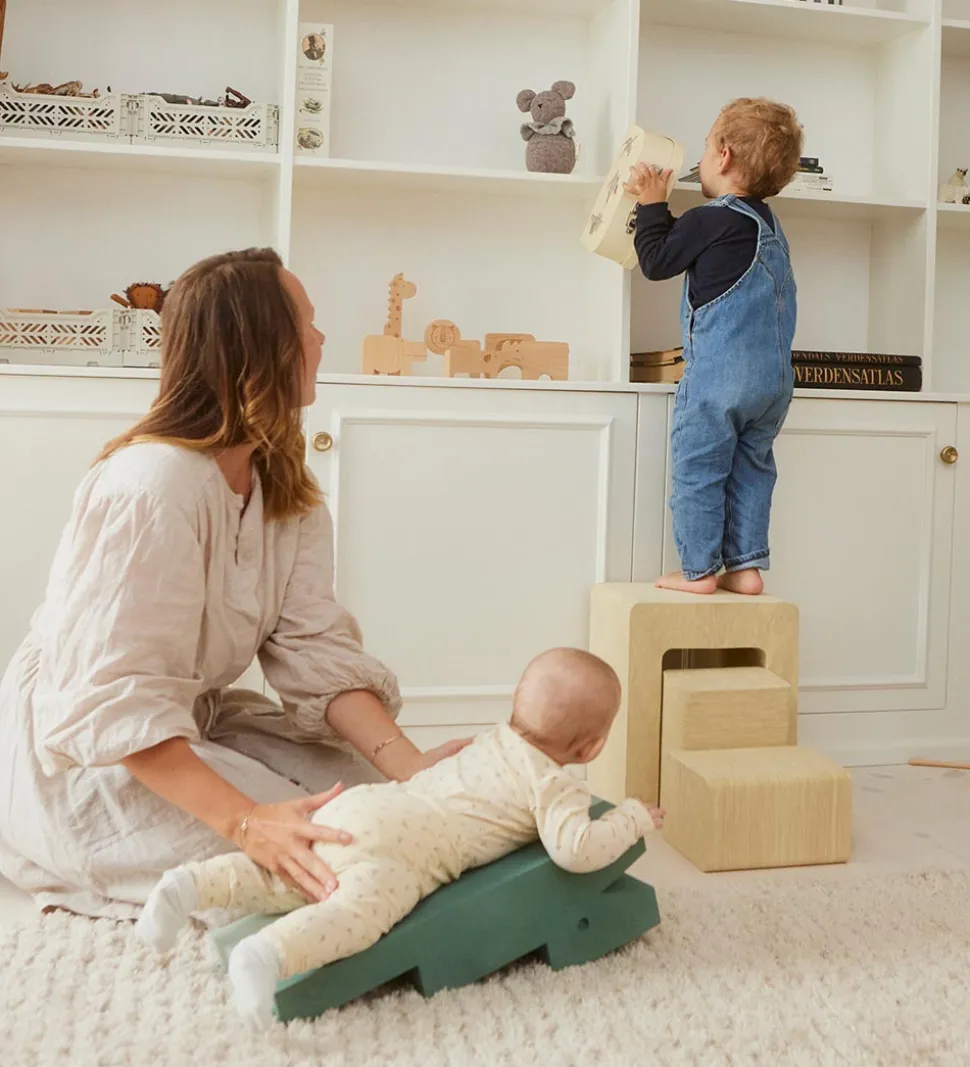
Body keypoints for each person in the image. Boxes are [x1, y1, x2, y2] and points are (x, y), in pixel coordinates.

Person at [0, 248, 468, 919]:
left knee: (395, 807)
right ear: (260, 345)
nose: (320, 338)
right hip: (86, 756)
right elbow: (111, 700)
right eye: (305, 322)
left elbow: (313, 649)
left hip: (188, 718)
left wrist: (413, 770)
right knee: (335, 849)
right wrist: (248, 823)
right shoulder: (151, 486)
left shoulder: (285, 489)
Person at [135, 647, 664, 1030]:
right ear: (591, 748)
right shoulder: (554, 784)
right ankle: (269, 955)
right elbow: (577, 850)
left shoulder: (489, 739)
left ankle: (188, 886)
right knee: (354, 913)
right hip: (408, 850)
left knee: (292, 872)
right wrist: (632, 818)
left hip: (371, 802)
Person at [626, 98, 803, 596]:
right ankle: (745, 568)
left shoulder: (709, 219)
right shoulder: (770, 226)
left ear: (723, 157)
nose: (702, 159)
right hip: (773, 383)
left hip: (720, 379)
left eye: (705, 149)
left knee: (699, 468)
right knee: (752, 470)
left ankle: (699, 570)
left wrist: (652, 204)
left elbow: (657, 261)